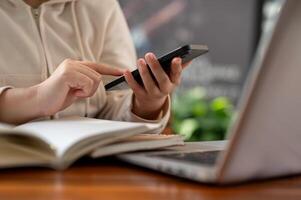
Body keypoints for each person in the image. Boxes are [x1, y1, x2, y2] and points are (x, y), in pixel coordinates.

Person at [0, 0, 189, 133]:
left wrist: (146, 105)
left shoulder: (102, 6)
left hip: (91, 171)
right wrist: (37, 98)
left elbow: (113, 109)